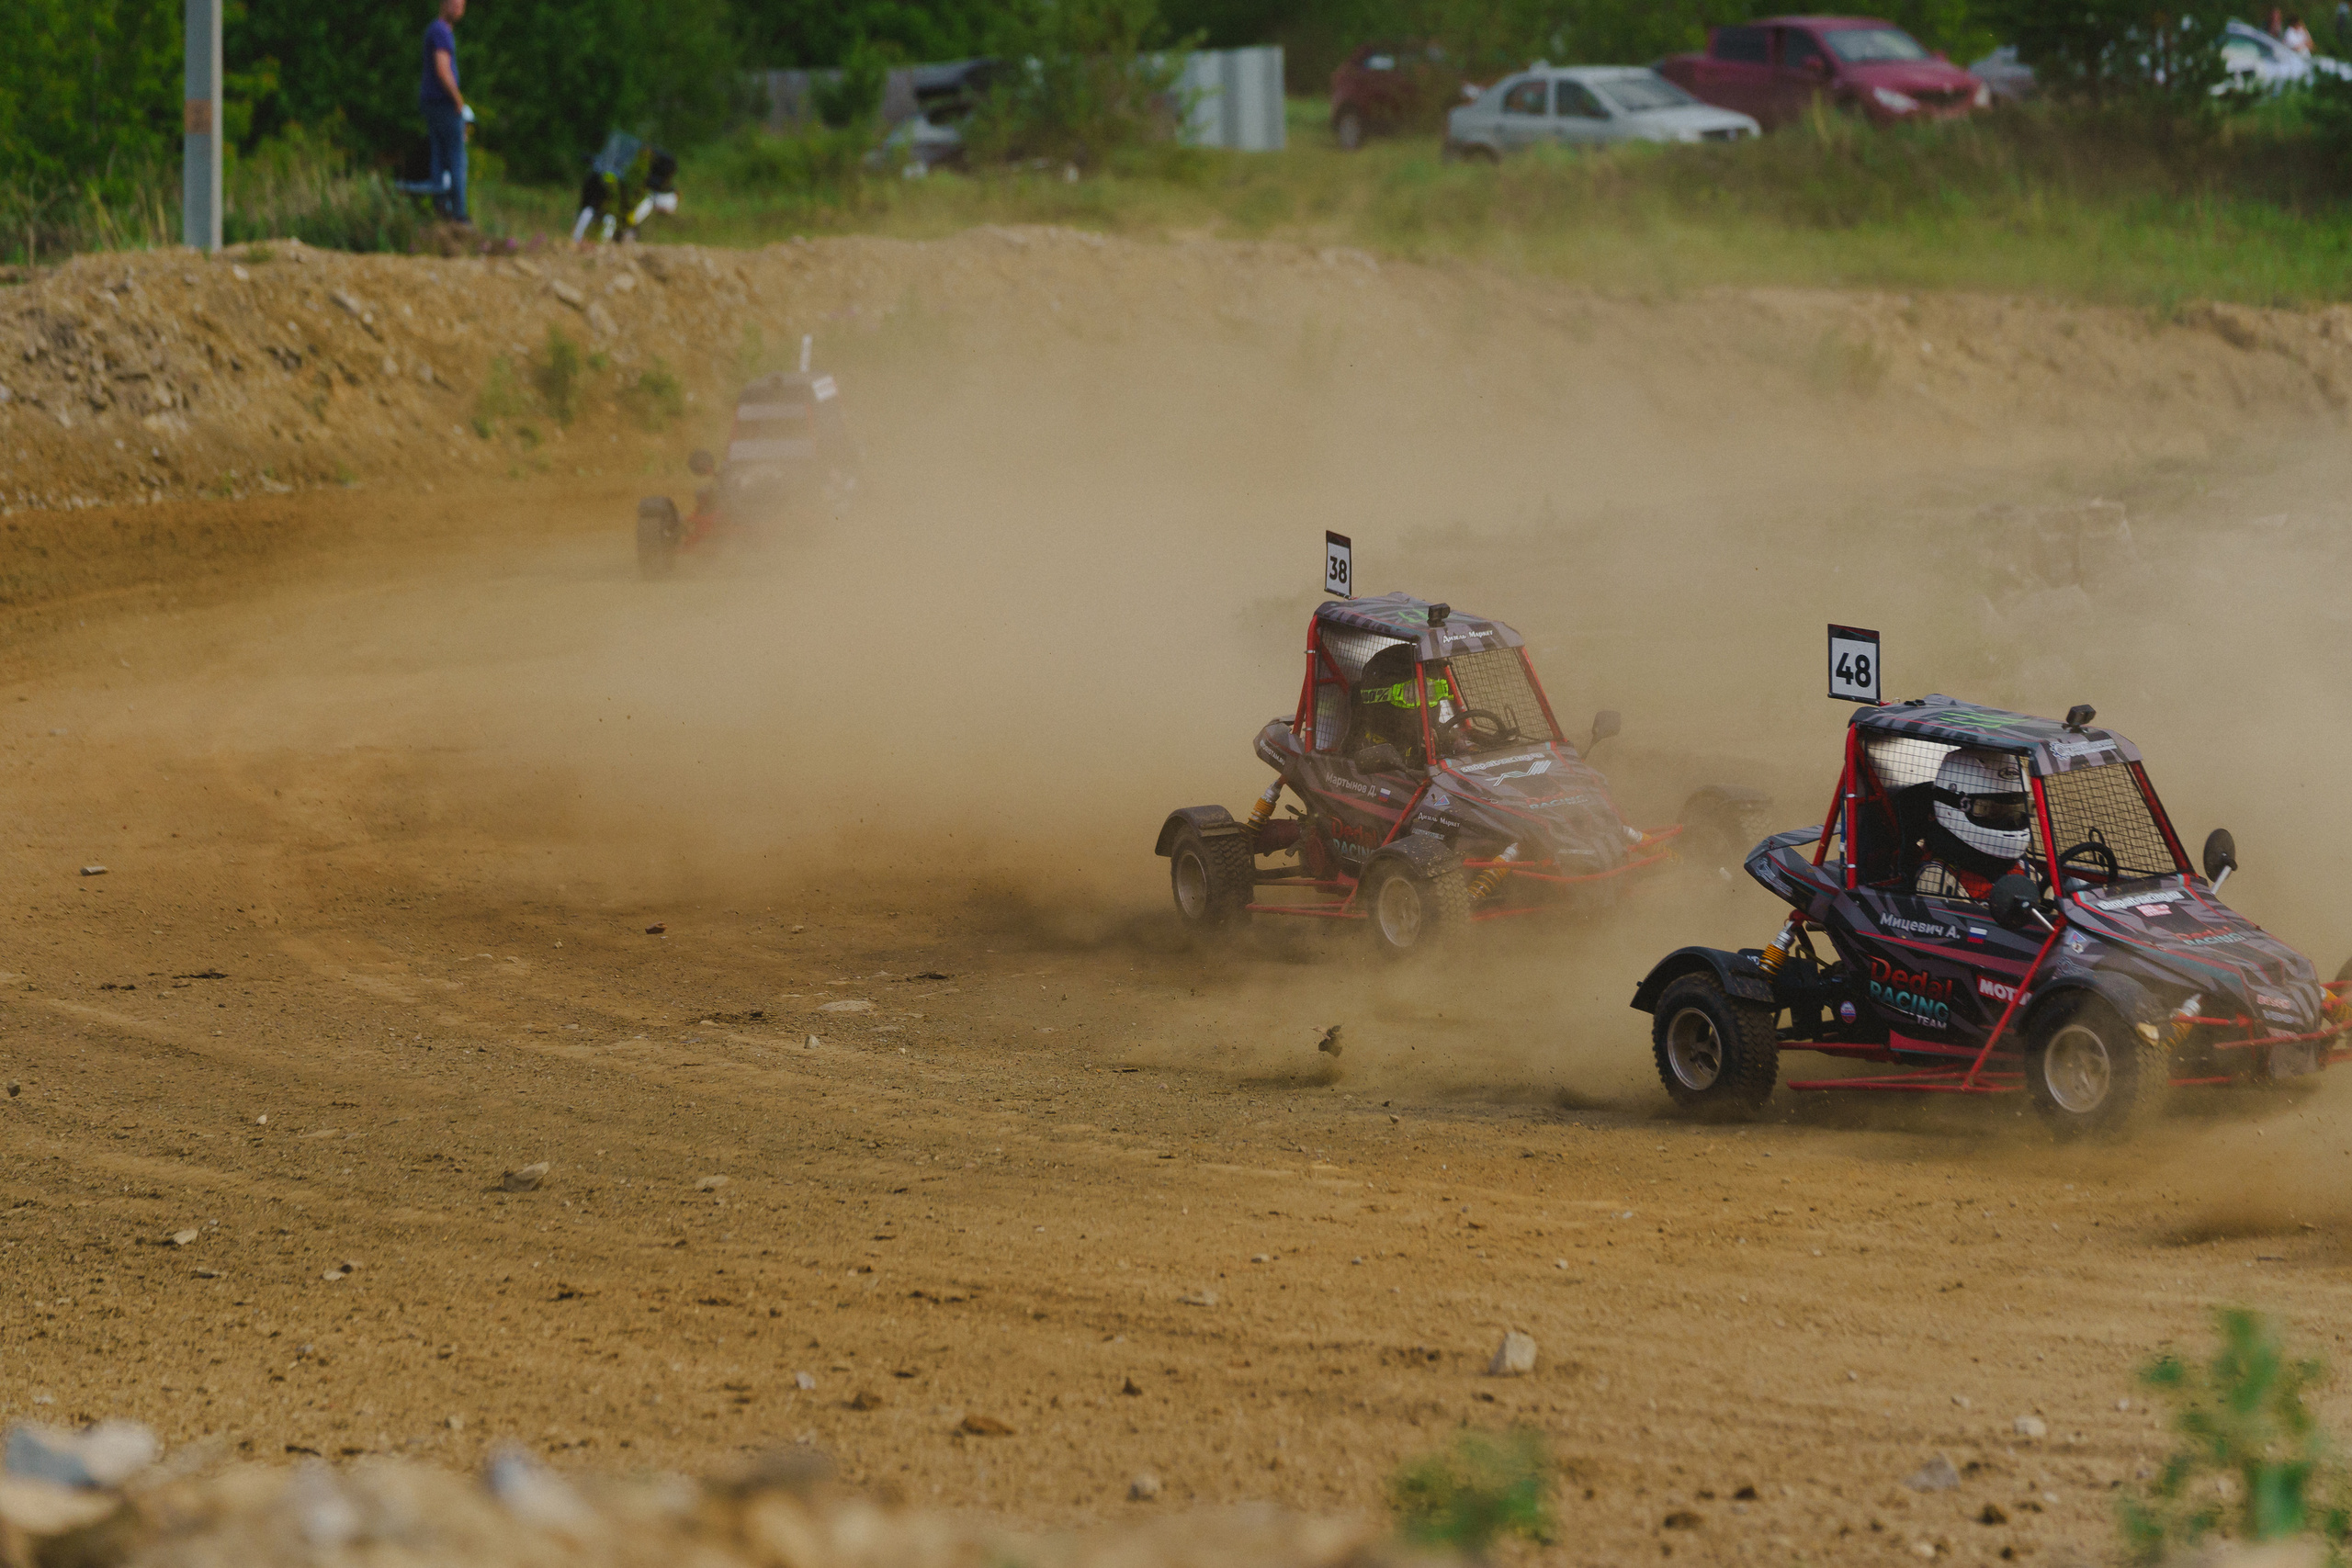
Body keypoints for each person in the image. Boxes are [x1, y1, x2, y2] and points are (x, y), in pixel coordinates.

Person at [1908, 749, 2032, 900]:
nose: (2010, 821)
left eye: (2014, 811)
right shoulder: (1937, 878)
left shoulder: (2023, 868)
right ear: (1952, 807)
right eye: (1990, 810)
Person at [419, 0, 472, 223]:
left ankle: (440, 210)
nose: (459, 6)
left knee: (439, 157)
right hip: (443, 103)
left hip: (433, 103)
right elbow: (443, 69)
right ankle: (459, 215)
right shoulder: (441, 31)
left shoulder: (436, 30)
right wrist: (458, 100)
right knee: (456, 158)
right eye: (455, 2)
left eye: (462, 3)